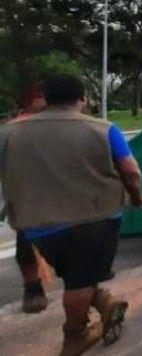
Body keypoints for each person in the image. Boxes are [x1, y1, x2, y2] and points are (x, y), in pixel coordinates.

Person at [0, 75, 142, 355]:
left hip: (38, 225)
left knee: (76, 271)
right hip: (97, 218)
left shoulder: (10, 133)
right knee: (79, 281)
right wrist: (138, 197)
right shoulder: (104, 129)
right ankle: (75, 336)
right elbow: (131, 171)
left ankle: (105, 302)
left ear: (46, 100)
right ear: (82, 99)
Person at [2, 82, 49, 314]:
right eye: (39, 96)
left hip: (61, 194)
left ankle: (87, 289)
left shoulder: (59, 124)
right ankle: (33, 288)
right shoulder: (12, 130)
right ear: (29, 102)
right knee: (26, 244)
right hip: (26, 197)